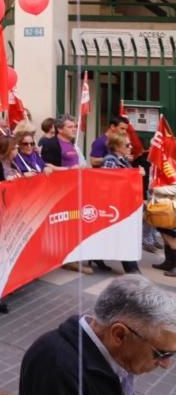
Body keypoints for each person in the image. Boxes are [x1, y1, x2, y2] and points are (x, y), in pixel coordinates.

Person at [19, 275, 176, 395]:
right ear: (119, 335)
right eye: (162, 354)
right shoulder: (58, 369)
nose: (166, 365)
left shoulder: (114, 355)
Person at [100, 132, 143, 275]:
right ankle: (132, 268)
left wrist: (137, 173)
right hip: (114, 204)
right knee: (124, 235)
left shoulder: (124, 160)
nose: (130, 147)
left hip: (123, 203)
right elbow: (106, 182)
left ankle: (97, 257)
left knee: (114, 234)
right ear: (117, 147)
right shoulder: (110, 160)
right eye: (127, 145)